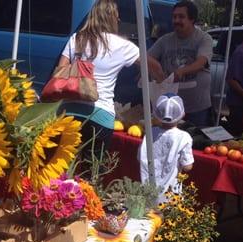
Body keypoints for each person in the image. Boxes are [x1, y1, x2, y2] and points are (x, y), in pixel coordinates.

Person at [57, 0, 164, 161]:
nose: (119, 21)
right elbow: (154, 66)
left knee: (61, 167)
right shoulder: (122, 45)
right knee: (91, 172)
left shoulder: (76, 39)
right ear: (111, 18)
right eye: (117, 17)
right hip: (100, 115)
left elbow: (59, 72)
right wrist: (164, 85)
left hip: (69, 111)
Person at [148, 1, 213, 127]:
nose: (176, 20)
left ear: (192, 19)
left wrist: (181, 71)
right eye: (174, 16)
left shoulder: (204, 38)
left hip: (196, 107)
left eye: (181, 17)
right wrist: (153, 71)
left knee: (195, 142)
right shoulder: (165, 40)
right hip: (170, 107)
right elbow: (147, 57)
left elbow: (201, 62)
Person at [139, 94, 193, 203]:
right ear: (183, 115)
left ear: (156, 115)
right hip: (170, 192)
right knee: (168, 217)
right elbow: (187, 166)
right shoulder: (184, 137)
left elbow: (140, 156)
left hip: (147, 188)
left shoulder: (149, 133)